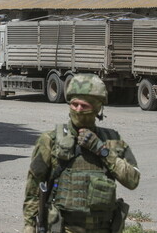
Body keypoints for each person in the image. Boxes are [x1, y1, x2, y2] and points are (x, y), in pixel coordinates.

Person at [23, 74, 140, 233]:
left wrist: (101, 150)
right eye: (74, 104)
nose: (78, 110)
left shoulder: (112, 140)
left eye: (84, 106)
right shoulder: (50, 140)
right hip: (63, 228)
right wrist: (29, 225)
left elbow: (132, 180)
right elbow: (34, 187)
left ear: (98, 108)